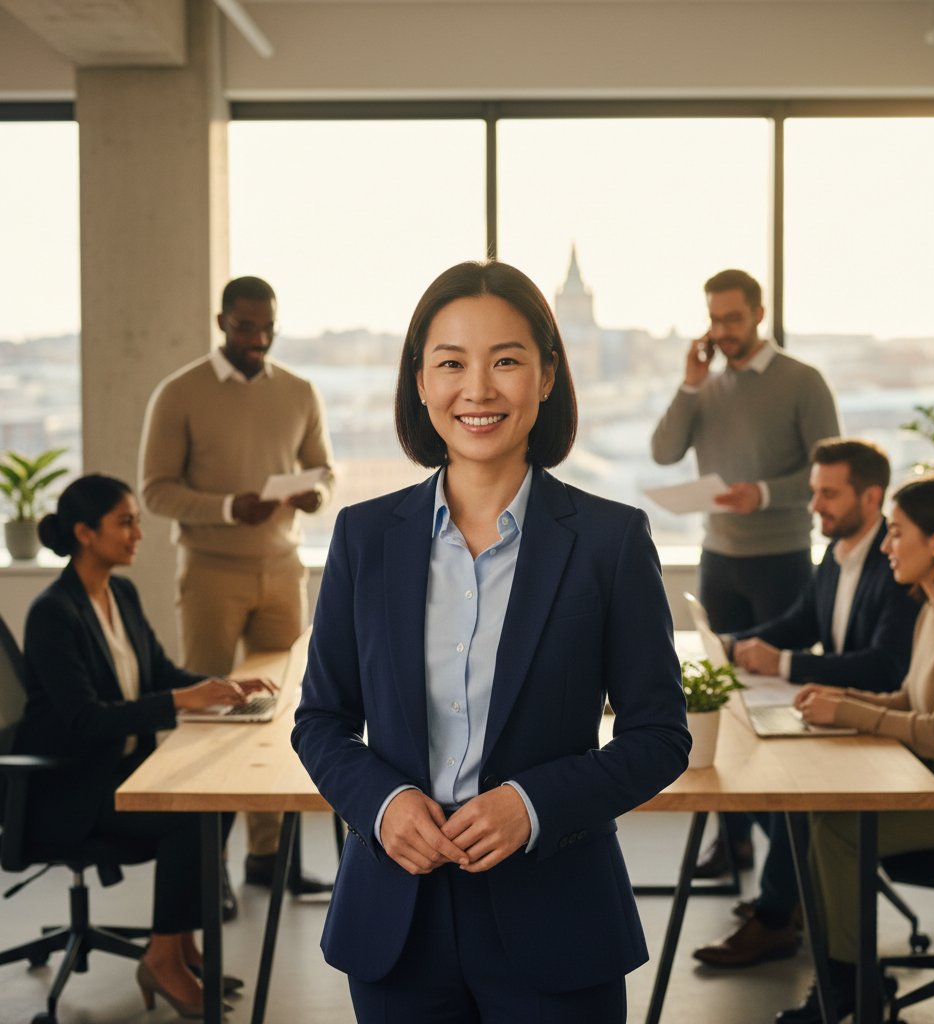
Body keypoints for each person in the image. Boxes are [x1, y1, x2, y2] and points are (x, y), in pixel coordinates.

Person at [291, 260, 691, 1022]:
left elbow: (659, 736)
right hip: (395, 917)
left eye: (506, 360)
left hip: (558, 914)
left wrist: (532, 805)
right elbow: (320, 722)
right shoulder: (364, 537)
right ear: (419, 382)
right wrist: (383, 804)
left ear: (547, 377)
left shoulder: (611, 541)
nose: (477, 389)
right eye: (451, 363)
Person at [15, 474, 271, 1018]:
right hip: (68, 789)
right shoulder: (52, 614)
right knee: (188, 814)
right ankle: (162, 959)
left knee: (210, 795)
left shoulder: (119, 593)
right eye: (125, 522)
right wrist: (185, 698)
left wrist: (222, 688)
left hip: (119, 770)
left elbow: (158, 673)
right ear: (85, 533)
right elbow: (85, 719)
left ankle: (179, 944)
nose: (138, 534)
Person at [778, 474, 934, 1024]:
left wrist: (847, 712)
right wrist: (842, 695)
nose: (886, 544)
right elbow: (909, 699)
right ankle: (848, 976)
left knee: (840, 828)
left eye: (898, 533)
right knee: (825, 813)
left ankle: (848, 985)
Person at [139, 275, 335, 896]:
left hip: (282, 571)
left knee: (280, 713)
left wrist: (316, 494)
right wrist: (229, 508)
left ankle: (267, 859)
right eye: (247, 326)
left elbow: (326, 469)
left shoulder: (300, 391)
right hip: (211, 573)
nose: (259, 337)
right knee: (210, 710)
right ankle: (205, 867)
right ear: (222, 322)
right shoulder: (180, 393)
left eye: (269, 326)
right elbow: (154, 489)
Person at [692, 438, 920, 967]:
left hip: (881, 720)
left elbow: (886, 667)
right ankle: (790, 896)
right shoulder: (837, 553)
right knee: (767, 782)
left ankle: (774, 919)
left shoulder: (895, 563)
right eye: (814, 491)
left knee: (792, 795)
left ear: (871, 500)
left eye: (828, 494)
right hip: (839, 711)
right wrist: (735, 645)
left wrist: (786, 664)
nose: (814, 504)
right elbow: (801, 623)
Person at [651, 268, 841, 873]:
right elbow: (663, 451)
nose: (723, 330)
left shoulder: (801, 382)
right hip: (720, 558)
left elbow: (828, 473)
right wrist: (687, 385)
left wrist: (761, 493)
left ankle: (789, 854)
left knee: (776, 700)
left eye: (733, 318)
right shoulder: (706, 386)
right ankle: (732, 841)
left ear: (759, 314)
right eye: (714, 319)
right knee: (721, 699)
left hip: (781, 559)